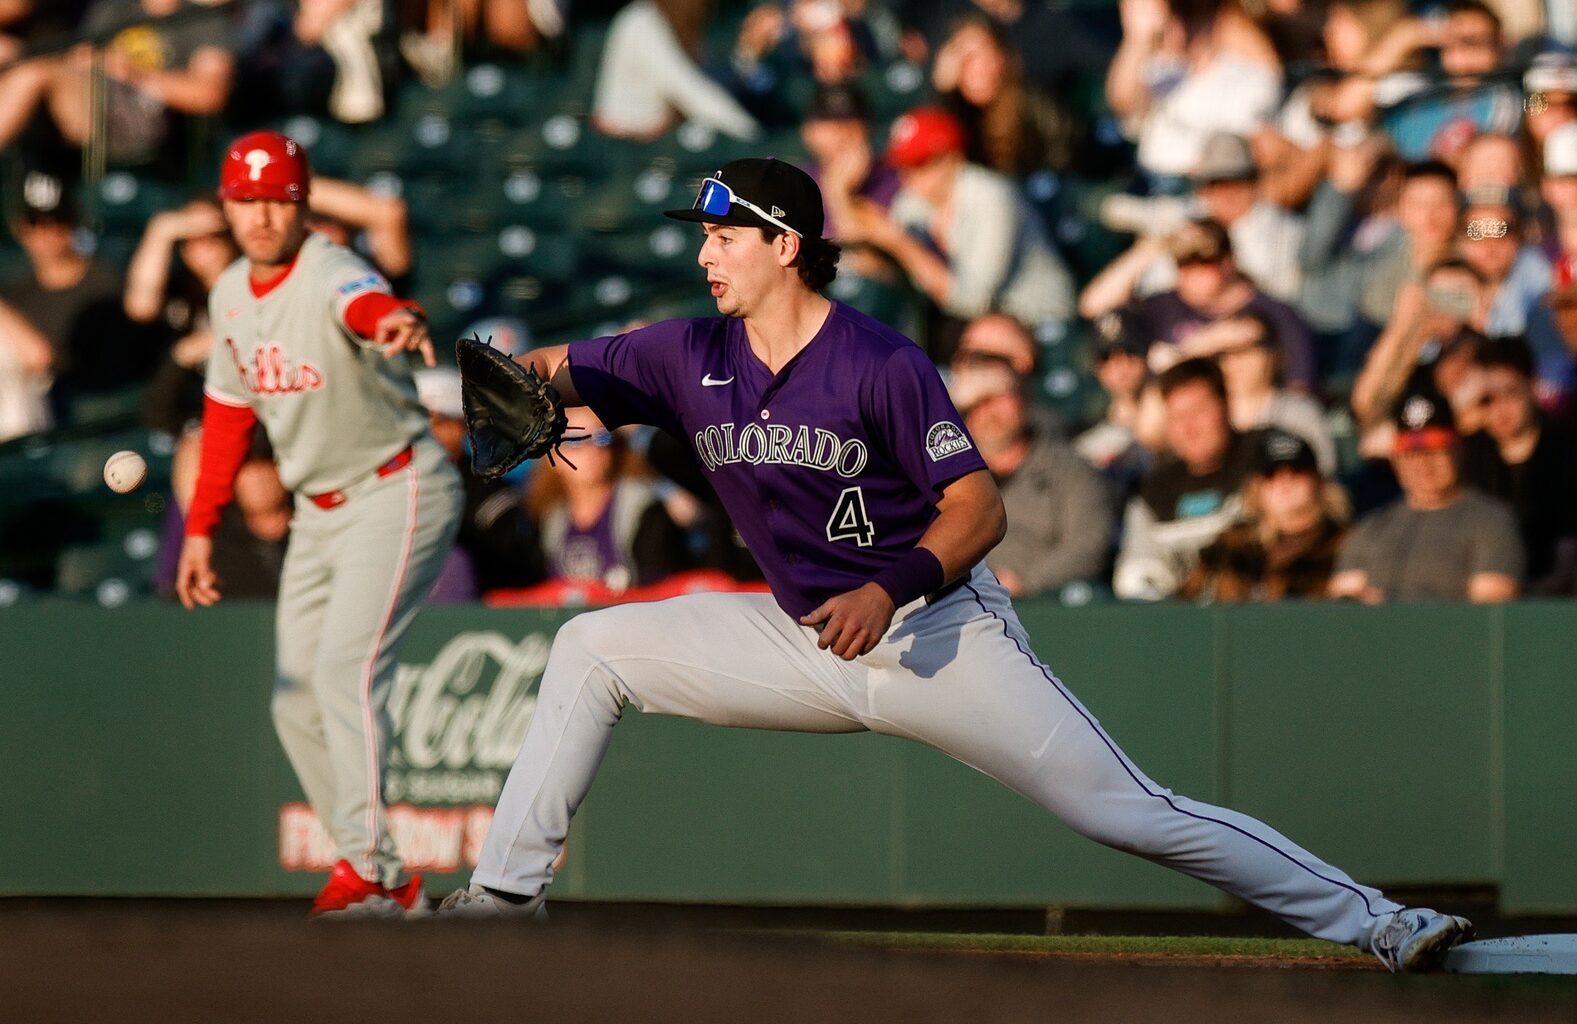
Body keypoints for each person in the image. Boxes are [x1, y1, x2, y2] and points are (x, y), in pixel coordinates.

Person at [436, 157, 1473, 974]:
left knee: (1128, 811)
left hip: (933, 631)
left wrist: (888, 587)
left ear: (785, 246)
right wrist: (502, 380)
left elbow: (980, 508)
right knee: (590, 648)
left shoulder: (880, 362)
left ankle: (1378, 921)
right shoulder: (685, 353)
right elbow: (552, 370)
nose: (705, 254)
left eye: (724, 236)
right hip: (800, 636)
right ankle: (504, 898)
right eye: (704, 237)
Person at [174, 131, 463, 916]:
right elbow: (226, 415)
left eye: (278, 199)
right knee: (294, 700)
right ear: (226, 206)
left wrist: (393, 318)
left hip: (395, 486)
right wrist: (200, 528)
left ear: (302, 205)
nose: (262, 216)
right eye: (247, 200)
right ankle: (384, 876)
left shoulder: (330, 266)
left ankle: (369, 869)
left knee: (343, 672)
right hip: (317, 508)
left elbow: (365, 304)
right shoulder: (229, 293)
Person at [849, 106, 1074, 357]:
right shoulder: (912, 202)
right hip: (971, 323)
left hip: (1038, 319)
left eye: (919, 164)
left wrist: (901, 244)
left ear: (952, 158)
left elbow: (971, 301)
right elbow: (890, 272)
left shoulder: (991, 196)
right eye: (903, 165)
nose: (908, 176)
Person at [1330, 388, 1522, 602]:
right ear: (1395, 460)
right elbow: (1345, 602)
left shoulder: (1491, 522)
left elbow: (1490, 606)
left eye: (1435, 450)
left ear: (1458, 451)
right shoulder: (1373, 526)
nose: (1423, 463)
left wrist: (1386, 605)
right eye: (1411, 454)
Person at [949, 352, 1113, 599]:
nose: (986, 412)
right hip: (960, 605)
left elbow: (1089, 545)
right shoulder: (948, 477)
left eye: (996, 398)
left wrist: (1023, 582)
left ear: (1023, 396)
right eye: (973, 406)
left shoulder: (1071, 470)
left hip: (1044, 606)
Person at [1113, 357, 1263, 600]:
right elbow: (1138, 574)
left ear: (1226, 405)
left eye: (1198, 411)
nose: (1188, 428)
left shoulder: (1264, 463)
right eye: (1176, 416)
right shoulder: (1153, 489)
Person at [1, 171, 145, 414]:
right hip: (41, 414)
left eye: (58, 220)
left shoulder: (107, 285)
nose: (47, 232)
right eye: (35, 222)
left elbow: (45, 361)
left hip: (103, 411)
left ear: (75, 222)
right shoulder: (17, 292)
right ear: (19, 228)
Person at [525, 406, 692, 592]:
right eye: (574, 441)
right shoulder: (548, 516)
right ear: (551, 455)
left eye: (601, 438)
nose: (592, 451)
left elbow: (657, 590)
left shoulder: (644, 508)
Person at [1458, 336, 1577, 593]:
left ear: (1532, 386)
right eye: (1487, 399)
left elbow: (1568, 558)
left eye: (1511, 393)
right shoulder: (1468, 456)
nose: (1499, 409)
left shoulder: (1566, 451)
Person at [1179, 429, 1350, 602]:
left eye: (1297, 470)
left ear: (1318, 480)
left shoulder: (1343, 543)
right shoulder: (1231, 543)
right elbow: (1182, 601)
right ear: (1257, 486)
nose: (1284, 481)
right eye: (1271, 473)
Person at [591, 0, 762, 142]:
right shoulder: (640, 20)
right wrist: (754, 136)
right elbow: (691, 91)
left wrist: (747, 55)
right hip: (623, 146)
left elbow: (711, 81)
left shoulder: (679, 22)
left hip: (659, 143)